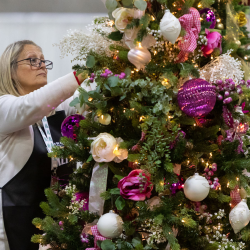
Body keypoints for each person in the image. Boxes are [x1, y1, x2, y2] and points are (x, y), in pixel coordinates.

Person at [0, 40, 92, 250]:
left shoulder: (56, 108)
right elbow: (31, 105)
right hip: (13, 222)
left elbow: (88, 101)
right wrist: (81, 73)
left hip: (54, 220)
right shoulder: (4, 106)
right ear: (11, 70)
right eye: (32, 60)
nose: (41, 65)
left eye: (43, 61)